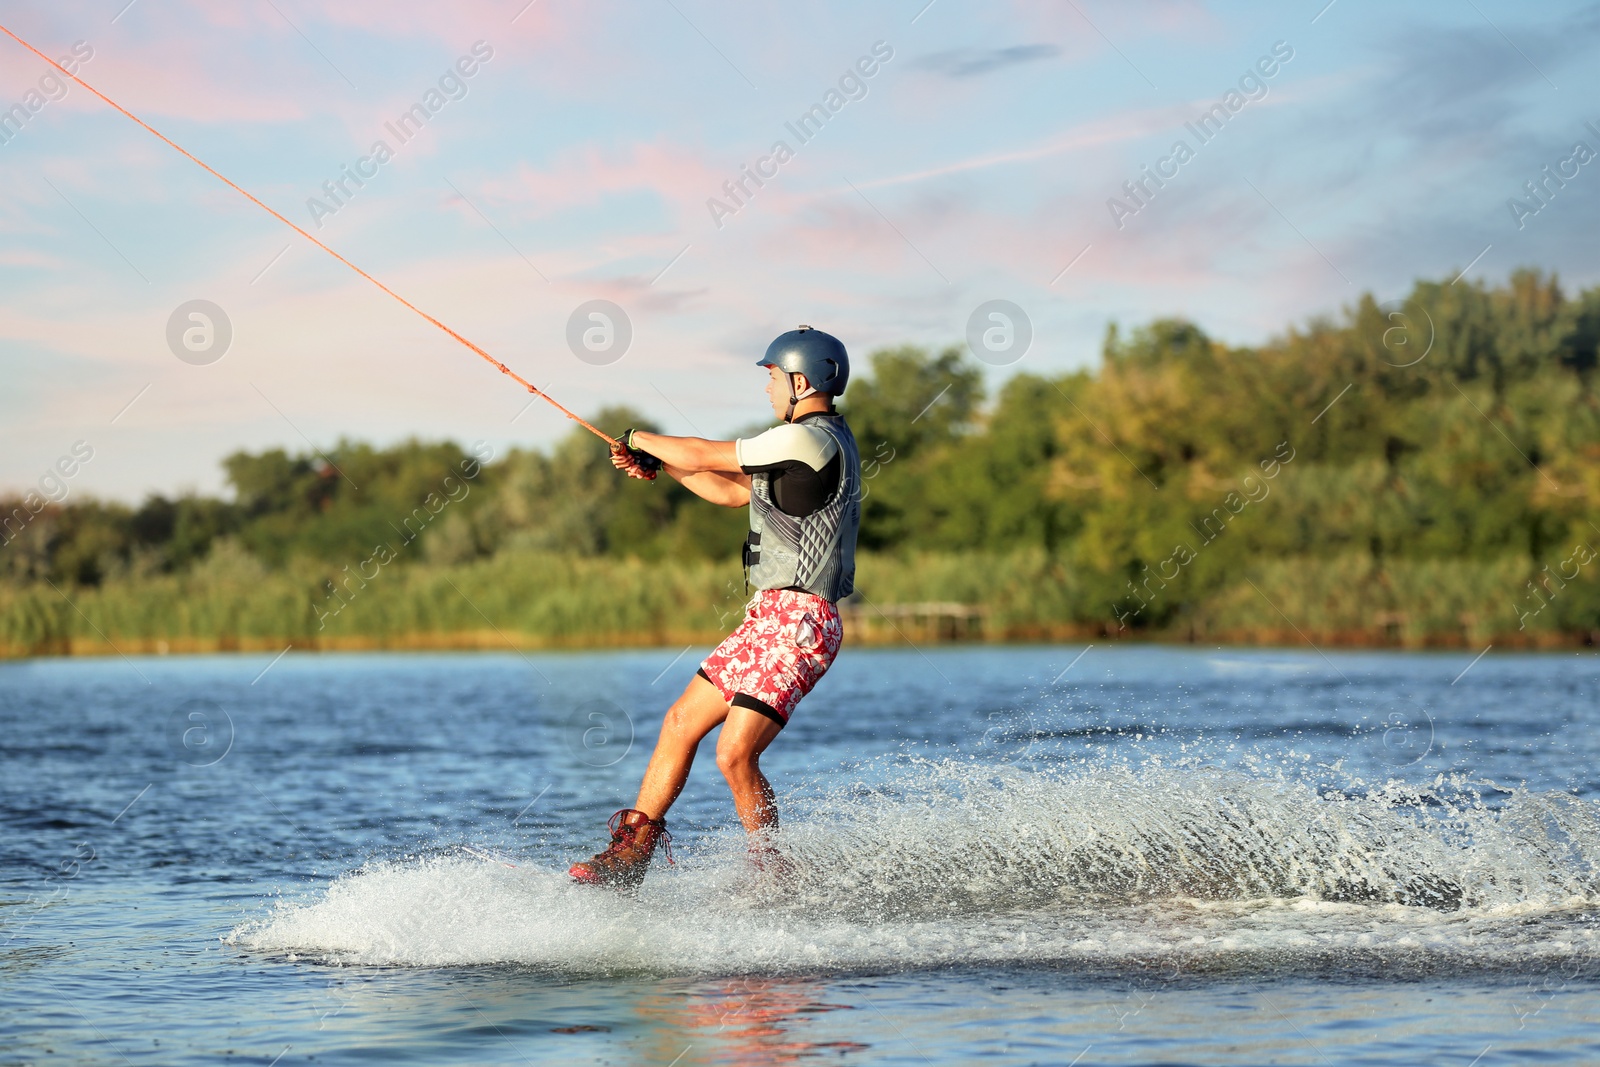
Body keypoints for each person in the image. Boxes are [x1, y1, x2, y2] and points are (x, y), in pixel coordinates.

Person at [568, 326, 861, 889]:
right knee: (680, 722)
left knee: (733, 754)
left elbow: (710, 454)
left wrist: (637, 436)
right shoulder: (801, 446)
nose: (769, 389)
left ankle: (774, 877)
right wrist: (658, 466)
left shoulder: (810, 440)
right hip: (767, 621)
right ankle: (632, 854)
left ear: (801, 381)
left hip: (801, 625)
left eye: (773, 377)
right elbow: (728, 489)